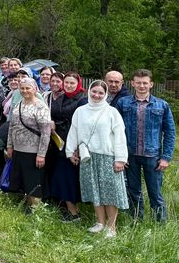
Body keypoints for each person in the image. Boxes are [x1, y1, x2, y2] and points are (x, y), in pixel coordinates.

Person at [66, 80, 128, 237]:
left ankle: (111, 227)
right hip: (88, 157)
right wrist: (70, 151)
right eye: (94, 91)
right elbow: (74, 131)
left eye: (101, 93)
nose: (97, 95)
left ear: (105, 94)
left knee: (110, 192)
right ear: (89, 92)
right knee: (94, 190)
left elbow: (120, 136)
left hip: (108, 157)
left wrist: (120, 158)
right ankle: (100, 222)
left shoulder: (112, 112)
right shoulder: (80, 111)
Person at [115, 69, 175, 222]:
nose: (142, 86)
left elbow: (170, 132)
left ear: (151, 84)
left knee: (155, 192)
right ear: (133, 83)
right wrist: (120, 155)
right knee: (134, 191)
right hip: (130, 155)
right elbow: (116, 130)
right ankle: (136, 221)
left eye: (145, 83)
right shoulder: (123, 103)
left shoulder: (162, 105)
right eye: (138, 83)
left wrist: (166, 158)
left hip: (153, 156)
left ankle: (160, 224)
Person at [6, 78, 52, 213]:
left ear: (35, 89)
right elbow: (11, 127)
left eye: (28, 88)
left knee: (33, 180)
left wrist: (41, 154)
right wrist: (9, 145)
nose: (25, 91)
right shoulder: (18, 104)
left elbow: (45, 132)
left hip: (33, 151)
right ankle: (26, 204)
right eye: (22, 88)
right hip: (18, 149)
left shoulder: (41, 106)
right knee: (22, 178)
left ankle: (35, 209)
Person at [47, 71, 87, 222]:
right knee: (60, 177)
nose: (69, 86)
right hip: (58, 142)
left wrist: (76, 148)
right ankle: (68, 209)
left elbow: (83, 126)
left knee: (67, 178)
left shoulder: (82, 101)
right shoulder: (61, 97)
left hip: (72, 145)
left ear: (78, 84)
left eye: (72, 83)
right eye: (67, 83)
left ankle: (74, 212)